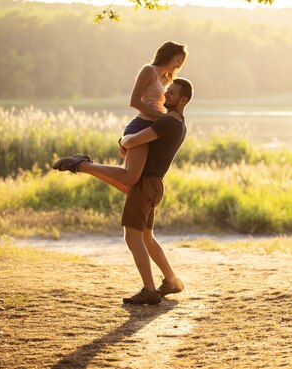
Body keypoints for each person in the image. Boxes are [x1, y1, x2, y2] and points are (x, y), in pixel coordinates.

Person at [53, 77, 194, 305]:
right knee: (146, 237)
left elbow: (134, 140)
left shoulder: (168, 122)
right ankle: (172, 280)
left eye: (172, 93)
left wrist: (124, 140)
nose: (166, 95)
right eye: (167, 90)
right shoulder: (180, 124)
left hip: (145, 184)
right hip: (155, 184)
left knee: (132, 237)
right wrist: (128, 143)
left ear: (183, 100)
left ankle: (149, 290)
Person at [89, 41, 188, 194]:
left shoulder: (167, 80)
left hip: (153, 129)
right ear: (168, 55)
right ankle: (83, 165)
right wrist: (163, 117)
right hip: (141, 125)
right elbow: (134, 101)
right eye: (177, 59)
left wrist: (167, 120)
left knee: (134, 182)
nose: (179, 64)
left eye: (181, 62)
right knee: (130, 177)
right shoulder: (149, 71)